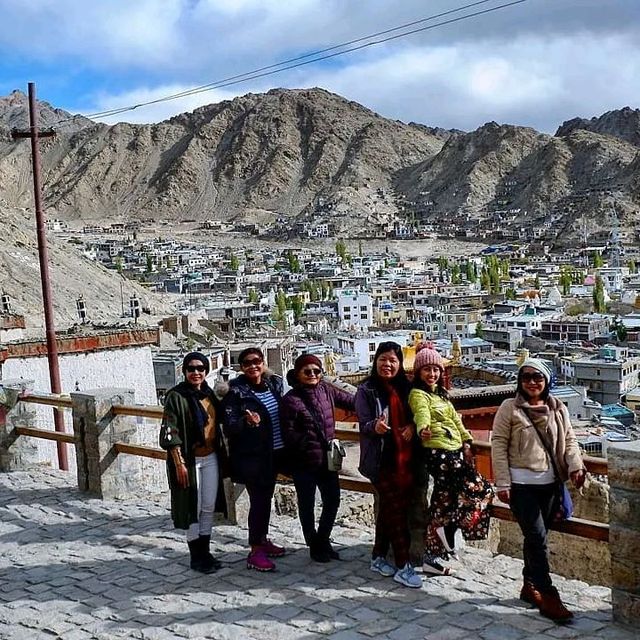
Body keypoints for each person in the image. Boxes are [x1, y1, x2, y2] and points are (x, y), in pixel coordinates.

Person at [491, 358, 586, 623]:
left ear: (547, 381)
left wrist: (576, 466)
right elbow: (498, 444)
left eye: (538, 377)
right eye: (527, 377)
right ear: (520, 381)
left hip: (550, 484)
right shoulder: (509, 408)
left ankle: (529, 586)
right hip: (522, 485)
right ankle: (549, 595)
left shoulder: (558, 408)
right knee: (537, 538)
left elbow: (569, 440)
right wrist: (502, 482)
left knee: (535, 539)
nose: (532, 382)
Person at [355, 342, 422, 589]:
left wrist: (413, 427)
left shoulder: (407, 387)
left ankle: (378, 556)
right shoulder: (367, 389)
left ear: (400, 363)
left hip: (404, 459)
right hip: (380, 460)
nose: (388, 365)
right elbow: (362, 423)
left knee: (389, 510)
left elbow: (419, 414)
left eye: (393, 360)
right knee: (396, 511)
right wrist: (375, 426)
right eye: (383, 359)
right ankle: (404, 565)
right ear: (376, 361)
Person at [280, 354, 355, 563]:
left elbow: (352, 402)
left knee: (332, 501)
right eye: (307, 371)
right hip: (303, 462)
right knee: (307, 504)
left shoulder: (326, 390)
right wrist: (308, 442)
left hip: (327, 461)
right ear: (298, 373)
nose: (312, 374)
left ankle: (322, 539)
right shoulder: (290, 400)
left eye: (316, 371)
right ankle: (314, 545)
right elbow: (288, 433)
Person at [408, 342, 474, 577]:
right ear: (418, 372)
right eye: (427, 369)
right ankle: (448, 535)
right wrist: (422, 427)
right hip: (438, 450)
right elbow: (421, 413)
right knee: (468, 491)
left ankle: (432, 556)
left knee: (442, 502)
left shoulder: (442, 395)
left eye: (436, 369)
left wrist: (467, 441)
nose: (432, 374)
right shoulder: (418, 394)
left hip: (455, 448)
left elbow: (456, 420)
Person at [219, 347, 287, 572]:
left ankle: (263, 539)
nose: (252, 366)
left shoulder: (273, 385)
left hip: (274, 454)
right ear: (241, 367)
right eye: (247, 363)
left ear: (263, 362)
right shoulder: (236, 393)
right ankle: (255, 550)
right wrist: (246, 423)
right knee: (258, 502)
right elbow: (229, 427)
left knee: (265, 499)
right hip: (252, 458)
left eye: (256, 361)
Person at [159, 352, 228, 573]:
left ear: (206, 371)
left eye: (200, 368)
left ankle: (205, 553)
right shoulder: (176, 397)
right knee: (192, 508)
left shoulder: (211, 395)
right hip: (188, 461)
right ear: (184, 371)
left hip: (210, 458)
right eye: (191, 368)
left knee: (207, 506)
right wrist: (178, 463)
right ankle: (196, 557)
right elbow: (170, 431)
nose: (196, 372)